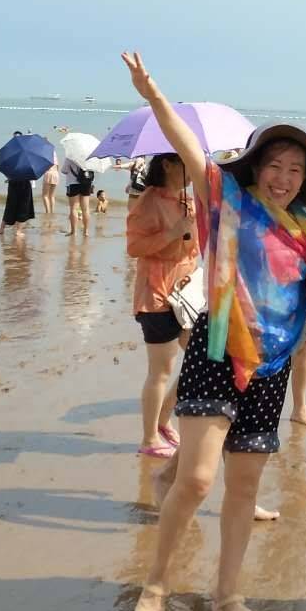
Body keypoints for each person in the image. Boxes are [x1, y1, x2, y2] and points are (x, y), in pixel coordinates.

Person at [122, 51, 306, 611]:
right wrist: (155, 97)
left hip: (272, 367)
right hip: (216, 351)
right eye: (275, 165)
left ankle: (228, 595)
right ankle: (156, 585)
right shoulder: (227, 199)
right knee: (199, 479)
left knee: (245, 487)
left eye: (295, 170)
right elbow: (190, 152)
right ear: (256, 167)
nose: (283, 177)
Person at [126, 153, 199, 457]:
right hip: (156, 296)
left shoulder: (187, 200)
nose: (192, 172)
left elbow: (192, 246)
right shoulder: (148, 202)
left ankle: (163, 418)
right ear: (168, 165)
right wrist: (172, 232)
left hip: (187, 296)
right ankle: (149, 439)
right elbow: (134, 247)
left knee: (201, 361)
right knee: (161, 370)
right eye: (186, 164)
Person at [0, 137, 36, 235]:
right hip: (24, 184)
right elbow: (33, 174)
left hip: (13, 183)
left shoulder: (12, 158)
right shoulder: (29, 160)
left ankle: (1, 229)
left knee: (10, 206)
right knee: (23, 207)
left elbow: (8, 172)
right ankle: (18, 231)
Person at [63, 156, 93, 236]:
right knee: (85, 209)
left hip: (73, 183)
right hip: (86, 183)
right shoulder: (89, 156)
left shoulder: (70, 156)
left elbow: (64, 170)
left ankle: (74, 231)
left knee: (74, 208)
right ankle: (86, 231)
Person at [41, 151, 59, 216]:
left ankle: (47, 212)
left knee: (45, 195)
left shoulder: (44, 153)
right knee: (52, 195)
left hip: (48, 173)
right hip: (56, 174)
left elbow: (43, 167)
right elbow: (58, 166)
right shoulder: (54, 152)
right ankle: (52, 211)